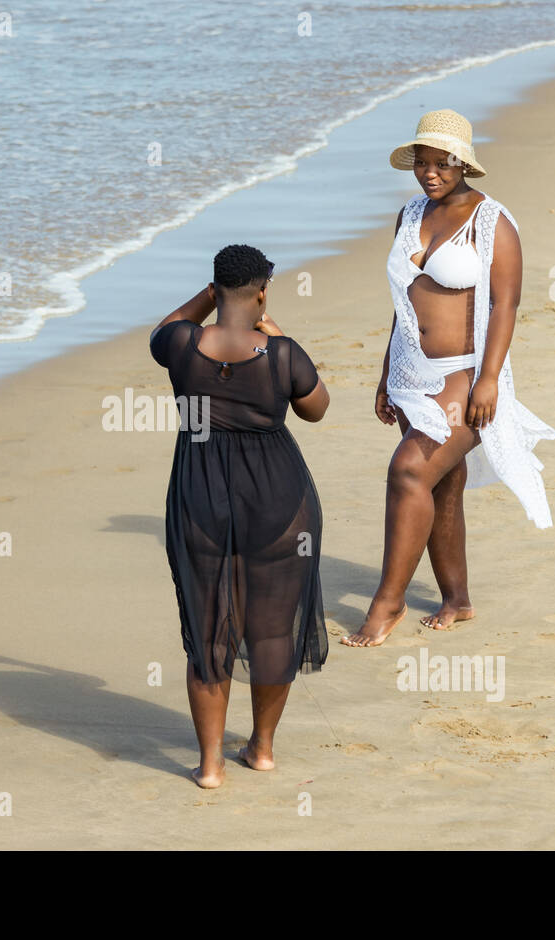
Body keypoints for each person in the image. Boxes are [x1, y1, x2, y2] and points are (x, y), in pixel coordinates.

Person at [342, 109, 555, 648]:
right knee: (443, 484)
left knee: (409, 470)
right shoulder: (410, 213)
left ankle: (386, 605)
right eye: (422, 162)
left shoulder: (492, 222)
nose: (430, 173)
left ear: (464, 164)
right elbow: (403, 302)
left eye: (442, 164)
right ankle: (457, 599)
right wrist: (387, 372)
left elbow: (506, 305)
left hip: (466, 375)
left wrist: (489, 381)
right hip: (414, 373)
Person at [150, 244, 330, 788]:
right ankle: (262, 748)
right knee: (273, 628)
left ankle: (209, 765)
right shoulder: (281, 353)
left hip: (201, 495)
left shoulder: (181, 345)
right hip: (280, 497)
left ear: (213, 289)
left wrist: (212, 296)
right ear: (261, 290)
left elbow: (172, 323)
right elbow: (317, 408)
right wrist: (269, 323)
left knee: (208, 634)